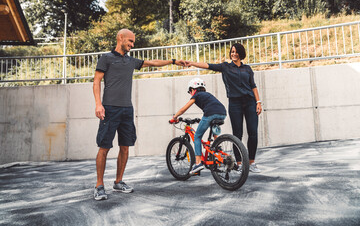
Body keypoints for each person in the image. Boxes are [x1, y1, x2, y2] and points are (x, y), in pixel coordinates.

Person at [93, 28, 185, 200]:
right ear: (120, 38)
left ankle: (118, 182)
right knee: (104, 147)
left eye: (133, 42)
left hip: (127, 109)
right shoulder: (106, 58)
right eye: (130, 41)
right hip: (109, 108)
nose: (132, 45)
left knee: (125, 147)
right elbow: (96, 81)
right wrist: (98, 104)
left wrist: (173, 61)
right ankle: (99, 186)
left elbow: (152, 63)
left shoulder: (131, 61)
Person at [185, 43, 262, 173]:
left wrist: (258, 102)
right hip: (235, 103)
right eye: (232, 52)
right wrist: (192, 63)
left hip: (250, 102)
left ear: (241, 53)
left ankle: (251, 163)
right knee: (237, 134)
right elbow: (208, 66)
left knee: (253, 133)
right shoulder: (225, 67)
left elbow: (253, 86)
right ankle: (239, 163)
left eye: (236, 52)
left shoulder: (247, 69)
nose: (234, 54)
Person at [171, 78, 226, 175]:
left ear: (193, 89)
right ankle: (218, 150)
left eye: (189, 91)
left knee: (197, 136)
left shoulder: (196, 95)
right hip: (222, 113)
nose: (190, 93)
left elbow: (184, 108)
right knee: (213, 130)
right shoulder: (208, 95)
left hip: (210, 113)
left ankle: (198, 163)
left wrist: (175, 117)